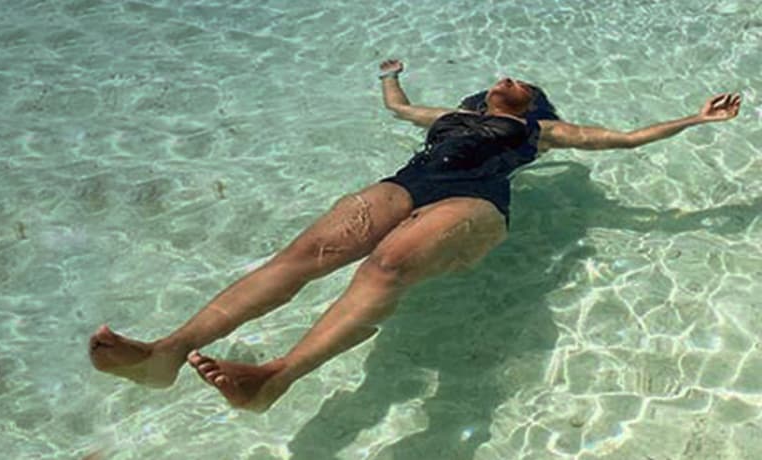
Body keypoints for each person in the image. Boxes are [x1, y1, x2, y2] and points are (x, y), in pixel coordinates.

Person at [87, 59, 743, 412]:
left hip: (477, 200)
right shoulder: (455, 113)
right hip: (409, 180)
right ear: (484, 96)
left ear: (534, 105)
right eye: (503, 78)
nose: (509, 77)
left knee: (385, 267)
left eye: (525, 84)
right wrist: (388, 76)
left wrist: (694, 118)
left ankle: (277, 377)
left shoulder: (542, 131)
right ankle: (168, 352)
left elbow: (625, 139)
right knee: (305, 255)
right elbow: (400, 109)